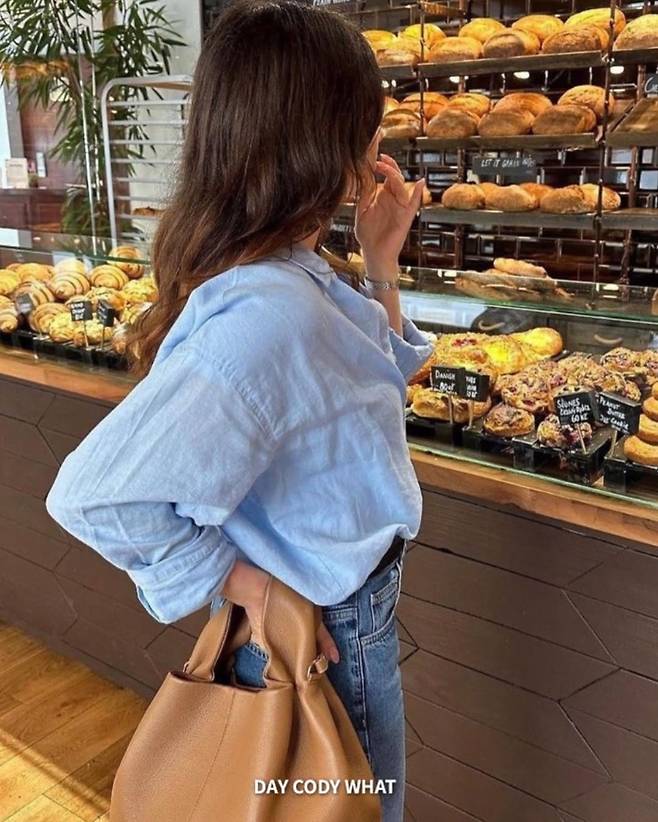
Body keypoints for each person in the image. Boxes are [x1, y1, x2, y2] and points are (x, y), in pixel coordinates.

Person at [46, 2, 432, 819]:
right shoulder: (270, 313)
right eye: (366, 125)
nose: (376, 147)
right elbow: (94, 493)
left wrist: (381, 263)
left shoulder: (283, 273)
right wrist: (242, 580)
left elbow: (363, 395)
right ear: (324, 142)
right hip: (324, 636)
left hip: (340, 622)